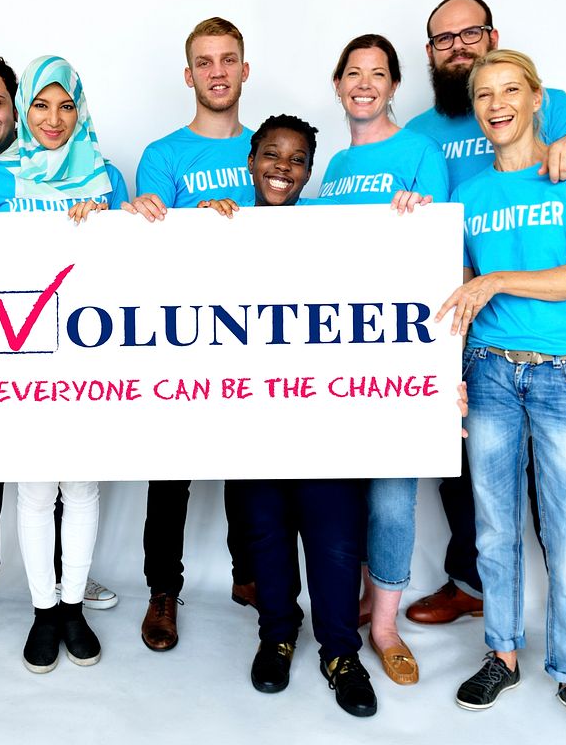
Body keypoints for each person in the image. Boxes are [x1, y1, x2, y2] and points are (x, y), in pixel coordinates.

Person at [404, 0, 566, 678]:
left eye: (469, 34)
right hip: (487, 365)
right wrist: (412, 216)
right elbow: (449, 263)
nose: (457, 46)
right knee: (486, 515)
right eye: (443, 41)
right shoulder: (438, 147)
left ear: (534, 98)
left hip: (565, 365)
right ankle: (490, 624)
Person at [0, 52, 118, 625]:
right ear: (25, 108)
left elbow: (124, 262)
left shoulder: (104, 173)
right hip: (3, 342)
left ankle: (71, 576)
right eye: (42, 104)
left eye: (66, 105)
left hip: (84, 345)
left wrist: (108, 220)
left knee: (74, 469)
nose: (54, 117)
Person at [198, 114, 375, 717]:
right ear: (250, 161)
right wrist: (188, 229)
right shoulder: (217, 227)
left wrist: (409, 218)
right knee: (267, 532)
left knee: (333, 540)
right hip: (250, 419)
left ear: (309, 172)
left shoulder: (336, 232)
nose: (283, 167)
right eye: (271, 154)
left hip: (324, 419)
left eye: (297, 159)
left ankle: (340, 654)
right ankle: (276, 634)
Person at [317, 33, 449, 687]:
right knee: (349, 494)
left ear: (395, 85)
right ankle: (368, 600)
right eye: (353, 73)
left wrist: (420, 216)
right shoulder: (334, 169)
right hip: (340, 355)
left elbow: (441, 252)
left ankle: (386, 626)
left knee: (394, 498)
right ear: (338, 85)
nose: (364, 83)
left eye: (377, 73)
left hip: (403, 352)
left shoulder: (420, 152)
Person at [122, 16, 258, 653]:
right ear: (188, 75)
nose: (218, 71)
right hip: (178, 335)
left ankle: (251, 575)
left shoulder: (267, 148)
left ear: (245, 69)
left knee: (250, 465)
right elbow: (146, 253)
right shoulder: (163, 155)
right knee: (169, 472)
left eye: (228, 59)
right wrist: (184, 224)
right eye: (205, 62)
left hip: (254, 333)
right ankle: (162, 590)